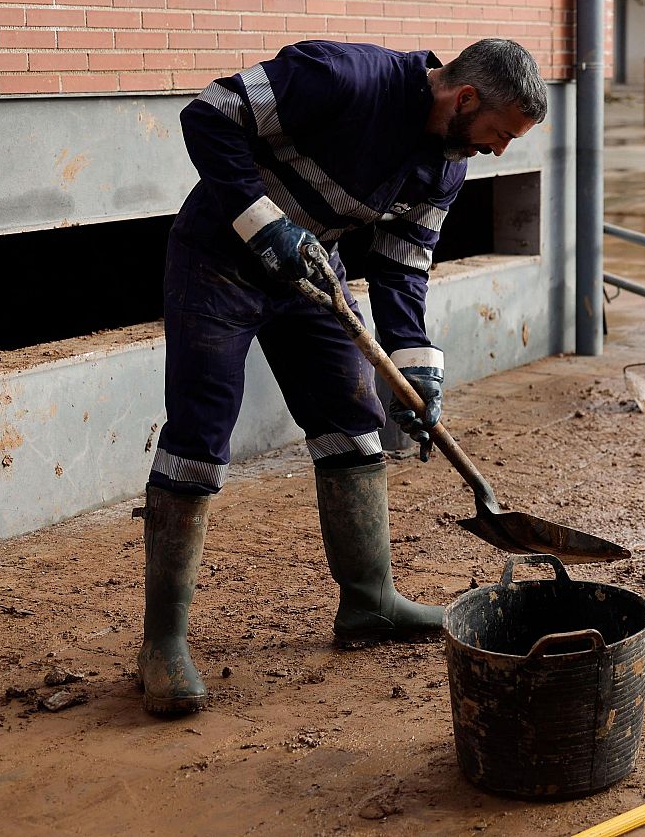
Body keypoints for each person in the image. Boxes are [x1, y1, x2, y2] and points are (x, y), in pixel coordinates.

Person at [138, 39, 547, 715]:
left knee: (352, 421)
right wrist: (262, 223)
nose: (498, 150)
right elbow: (208, 114)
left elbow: (402, 265)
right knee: (201, 431)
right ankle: (162, 645)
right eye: (499, 134)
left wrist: (418, 372)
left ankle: (369, 603)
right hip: (218, 259)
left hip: (310, 275)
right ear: (466, 98)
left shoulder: (444, 166)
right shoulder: (341, 78)